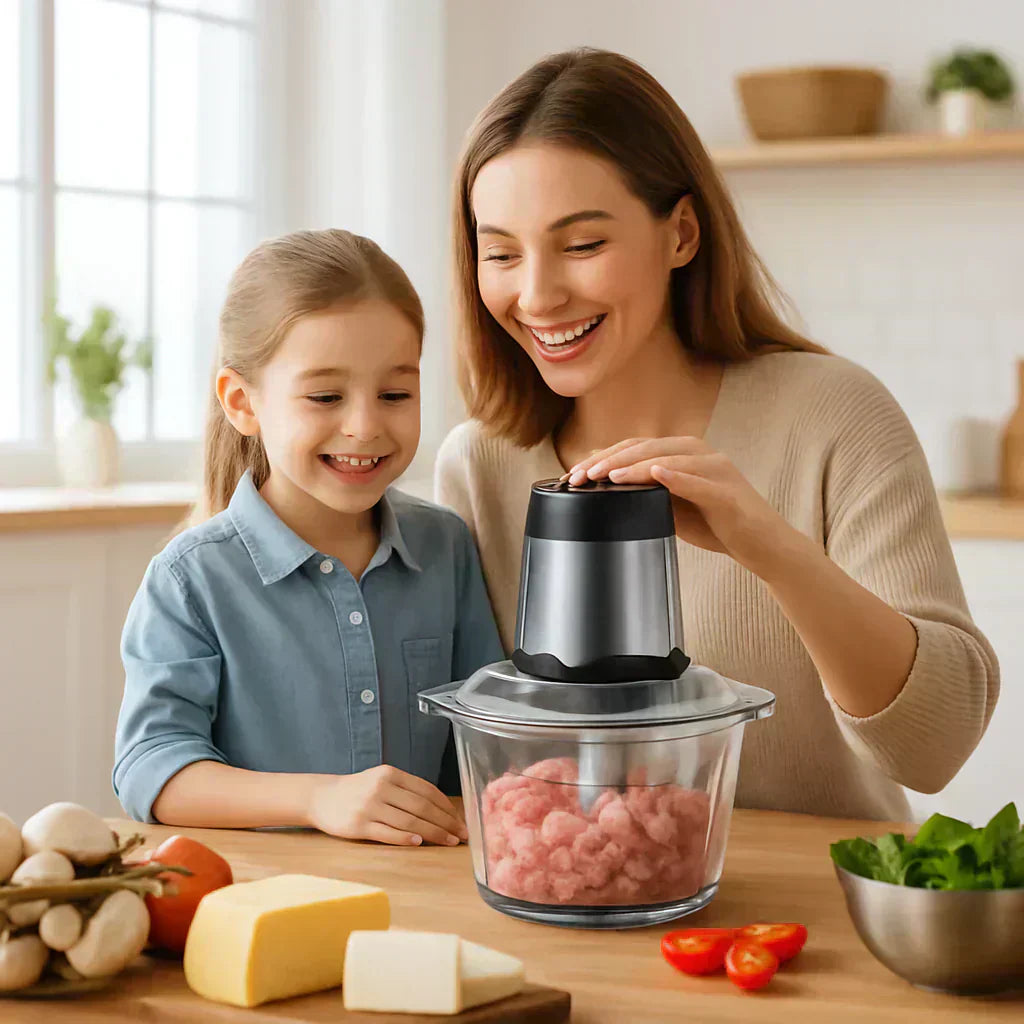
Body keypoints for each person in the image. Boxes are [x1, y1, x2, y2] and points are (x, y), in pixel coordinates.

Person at [436, 48, 999, 822]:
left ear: (682, 234)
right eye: (499, 253)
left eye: (582, 244)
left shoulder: (835, 414)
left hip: (814, 919)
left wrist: (765, 543)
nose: (536, 294)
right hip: (579, 909)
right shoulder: (479, 462)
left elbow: (936, 747)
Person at [114, 229, 502, 846]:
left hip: (426, 896)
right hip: (261, 906)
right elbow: (151, 769)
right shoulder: (190, 579)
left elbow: (487, 738)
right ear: (242, 402)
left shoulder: (446, 547)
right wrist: (319, 798)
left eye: (395, 393)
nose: (365, 425)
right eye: (325, 396)